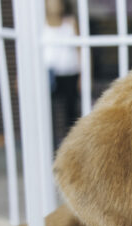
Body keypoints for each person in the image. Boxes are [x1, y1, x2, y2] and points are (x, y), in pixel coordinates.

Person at [44, 0, 81, 149]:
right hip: (48, 74)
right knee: (48, 113)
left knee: (71, 114)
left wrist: (84, 76)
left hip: (70, 73)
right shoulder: (39, 25)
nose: (55, 4)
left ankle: (71, 148)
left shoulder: (70, 23)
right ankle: (50, 149)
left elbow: (81, 49)